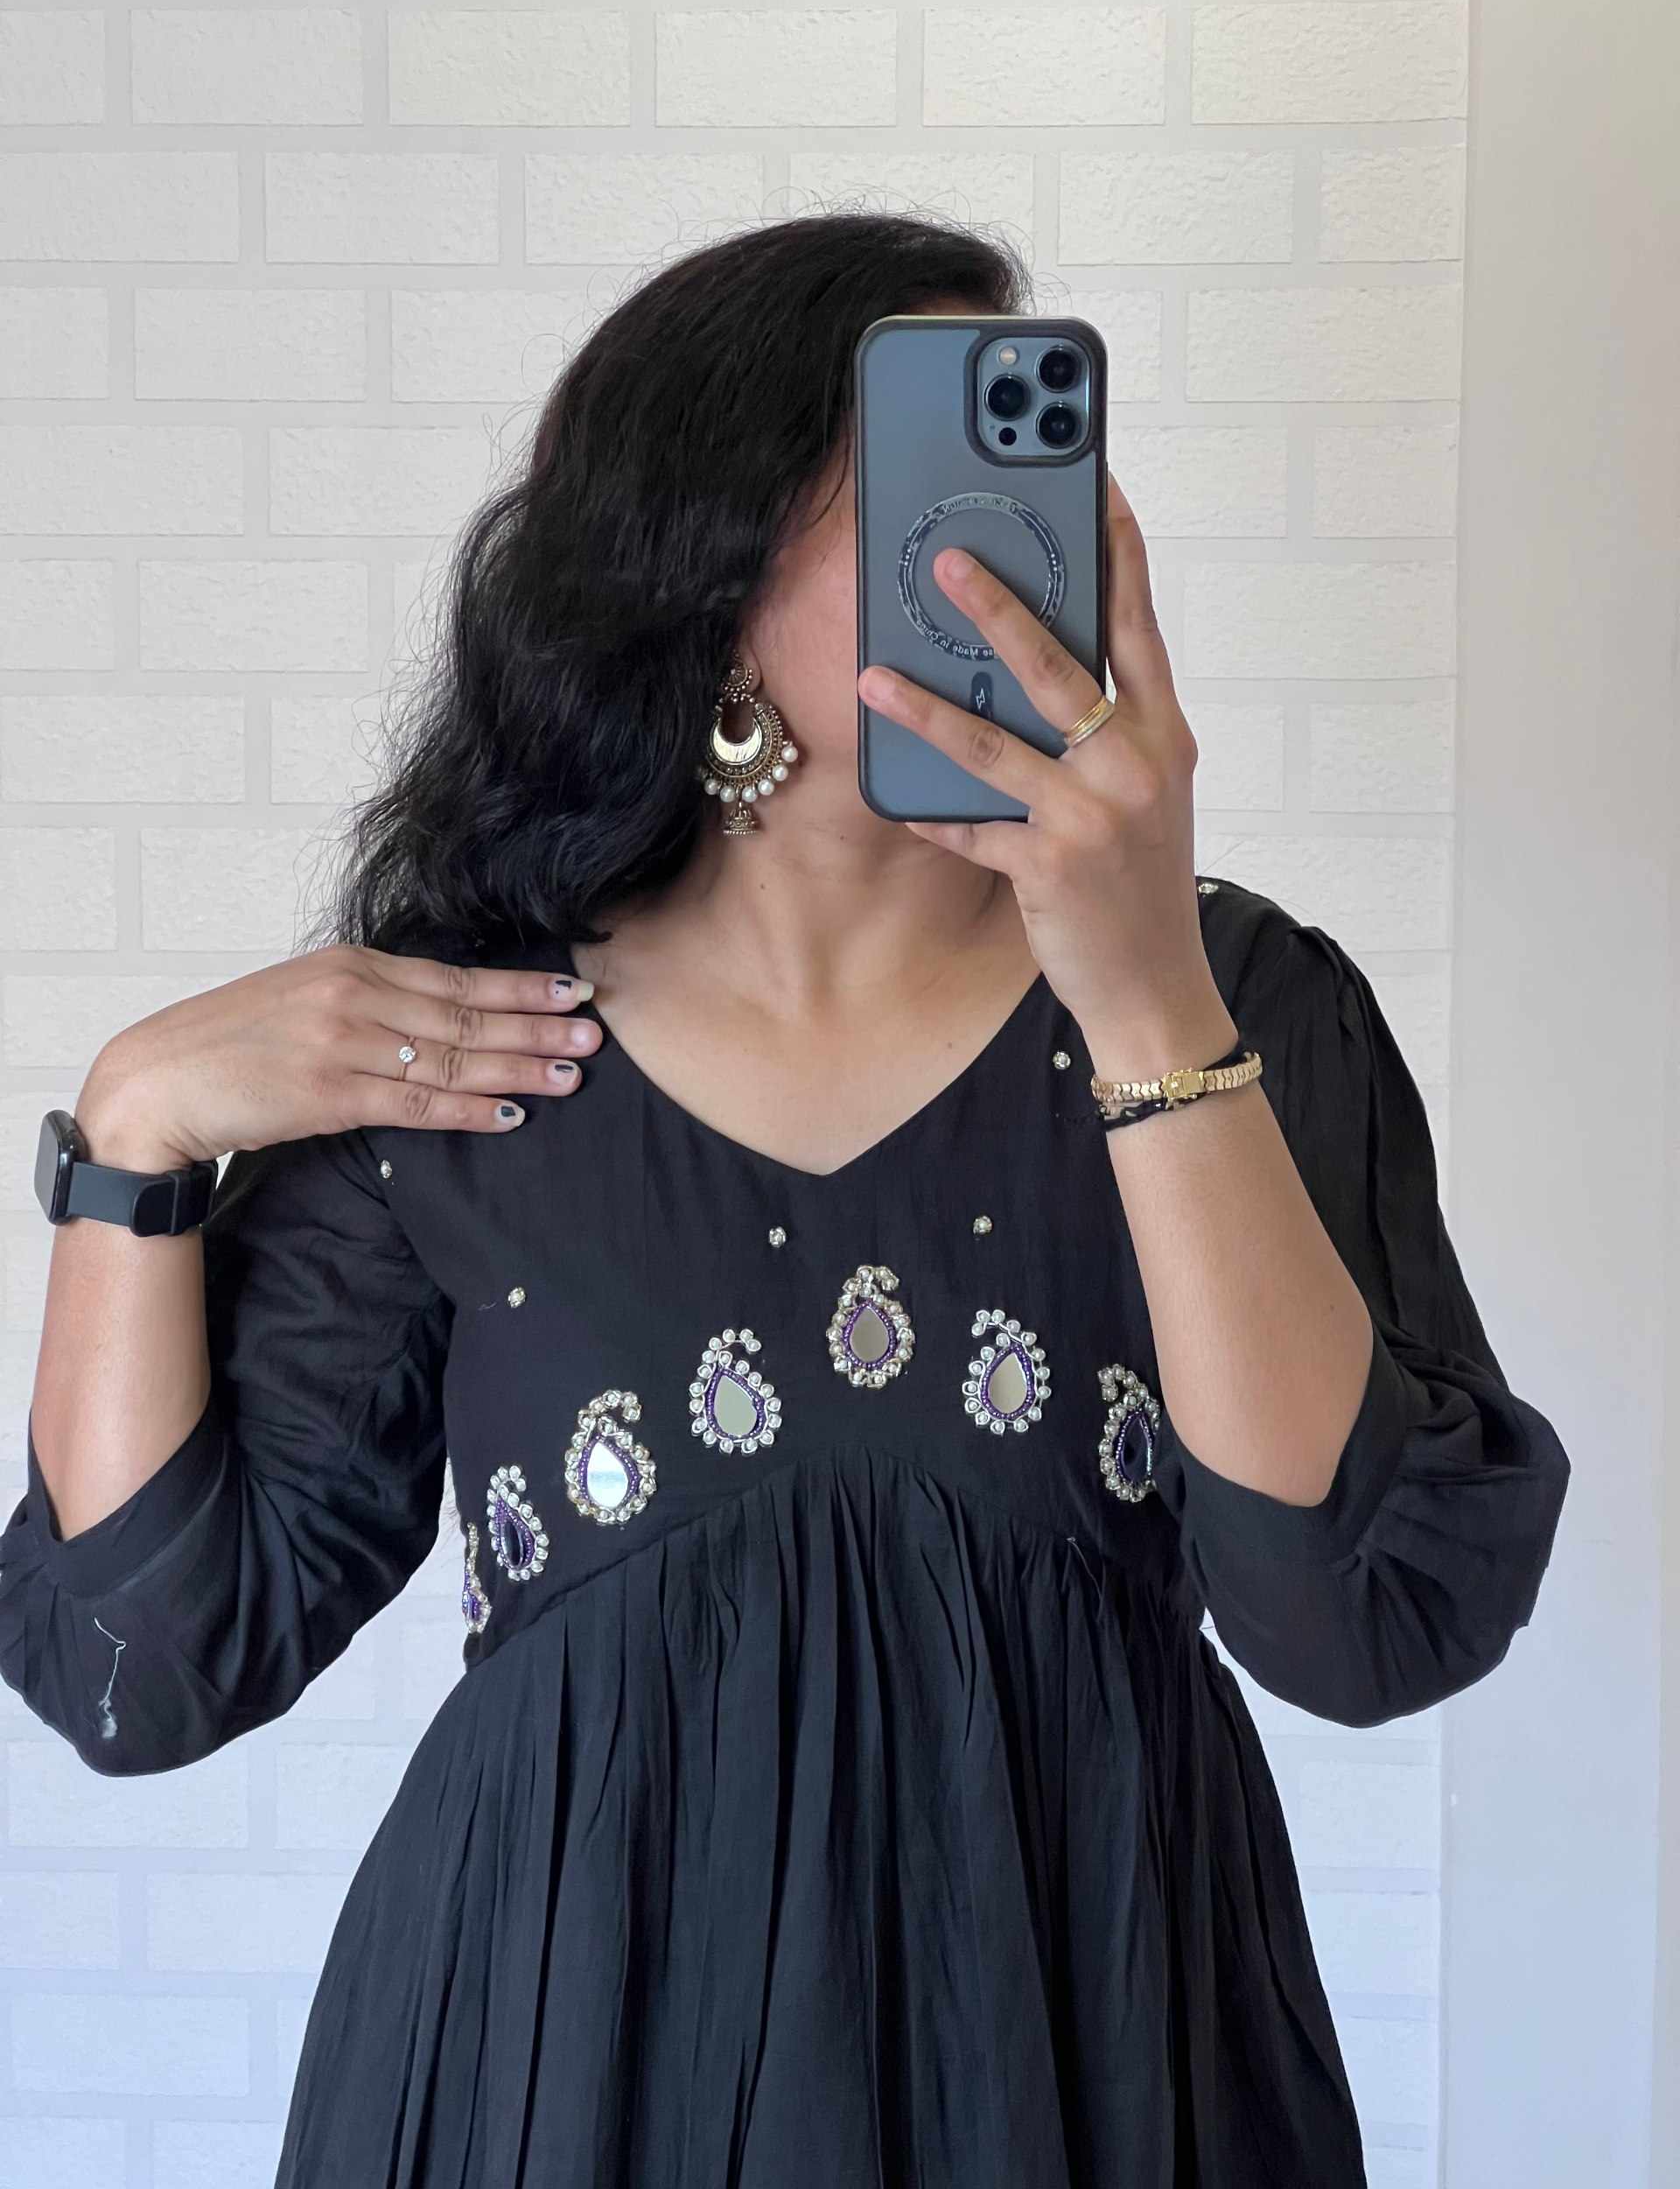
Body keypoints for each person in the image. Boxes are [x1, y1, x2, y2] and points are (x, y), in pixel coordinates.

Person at [0, 212, 1570, 2188]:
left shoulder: (1240, 1000)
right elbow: (146, 1663)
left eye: (1032, 471)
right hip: (560, 2076)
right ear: (707, 564)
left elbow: (1368, 1625)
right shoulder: (463, 1049)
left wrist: (1145, 991)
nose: (998, 547)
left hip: (1091, 2054)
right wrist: (132, 1130)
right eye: (918, 467)